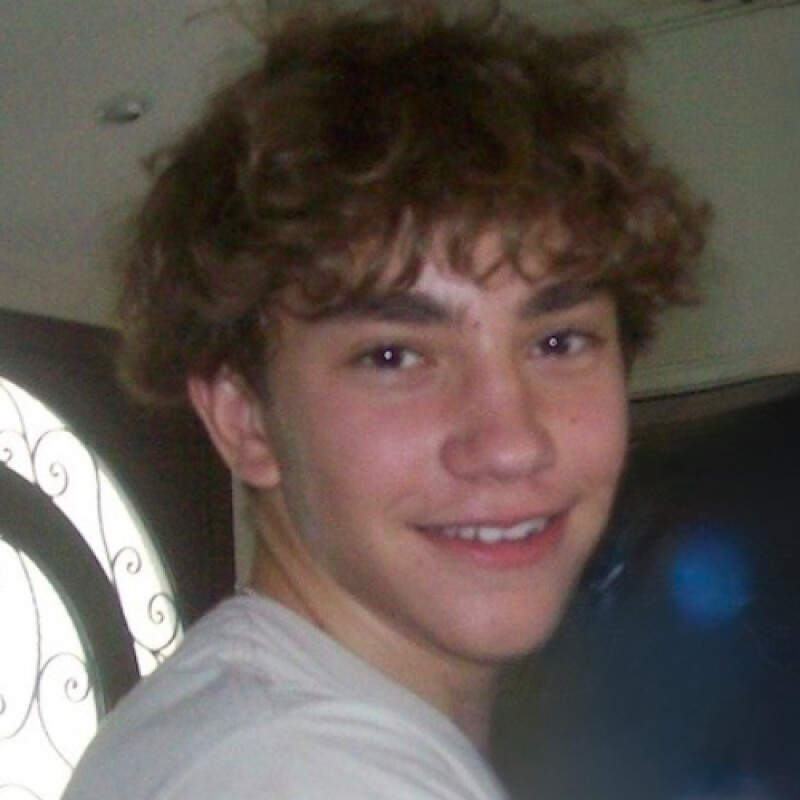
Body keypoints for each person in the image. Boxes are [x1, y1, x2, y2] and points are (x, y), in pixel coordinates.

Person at [63, 2, 707, 798]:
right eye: (394, 357)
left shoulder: (282, 733)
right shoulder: (300, 774)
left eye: (558, 342)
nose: (512, 442)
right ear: (245, 417)